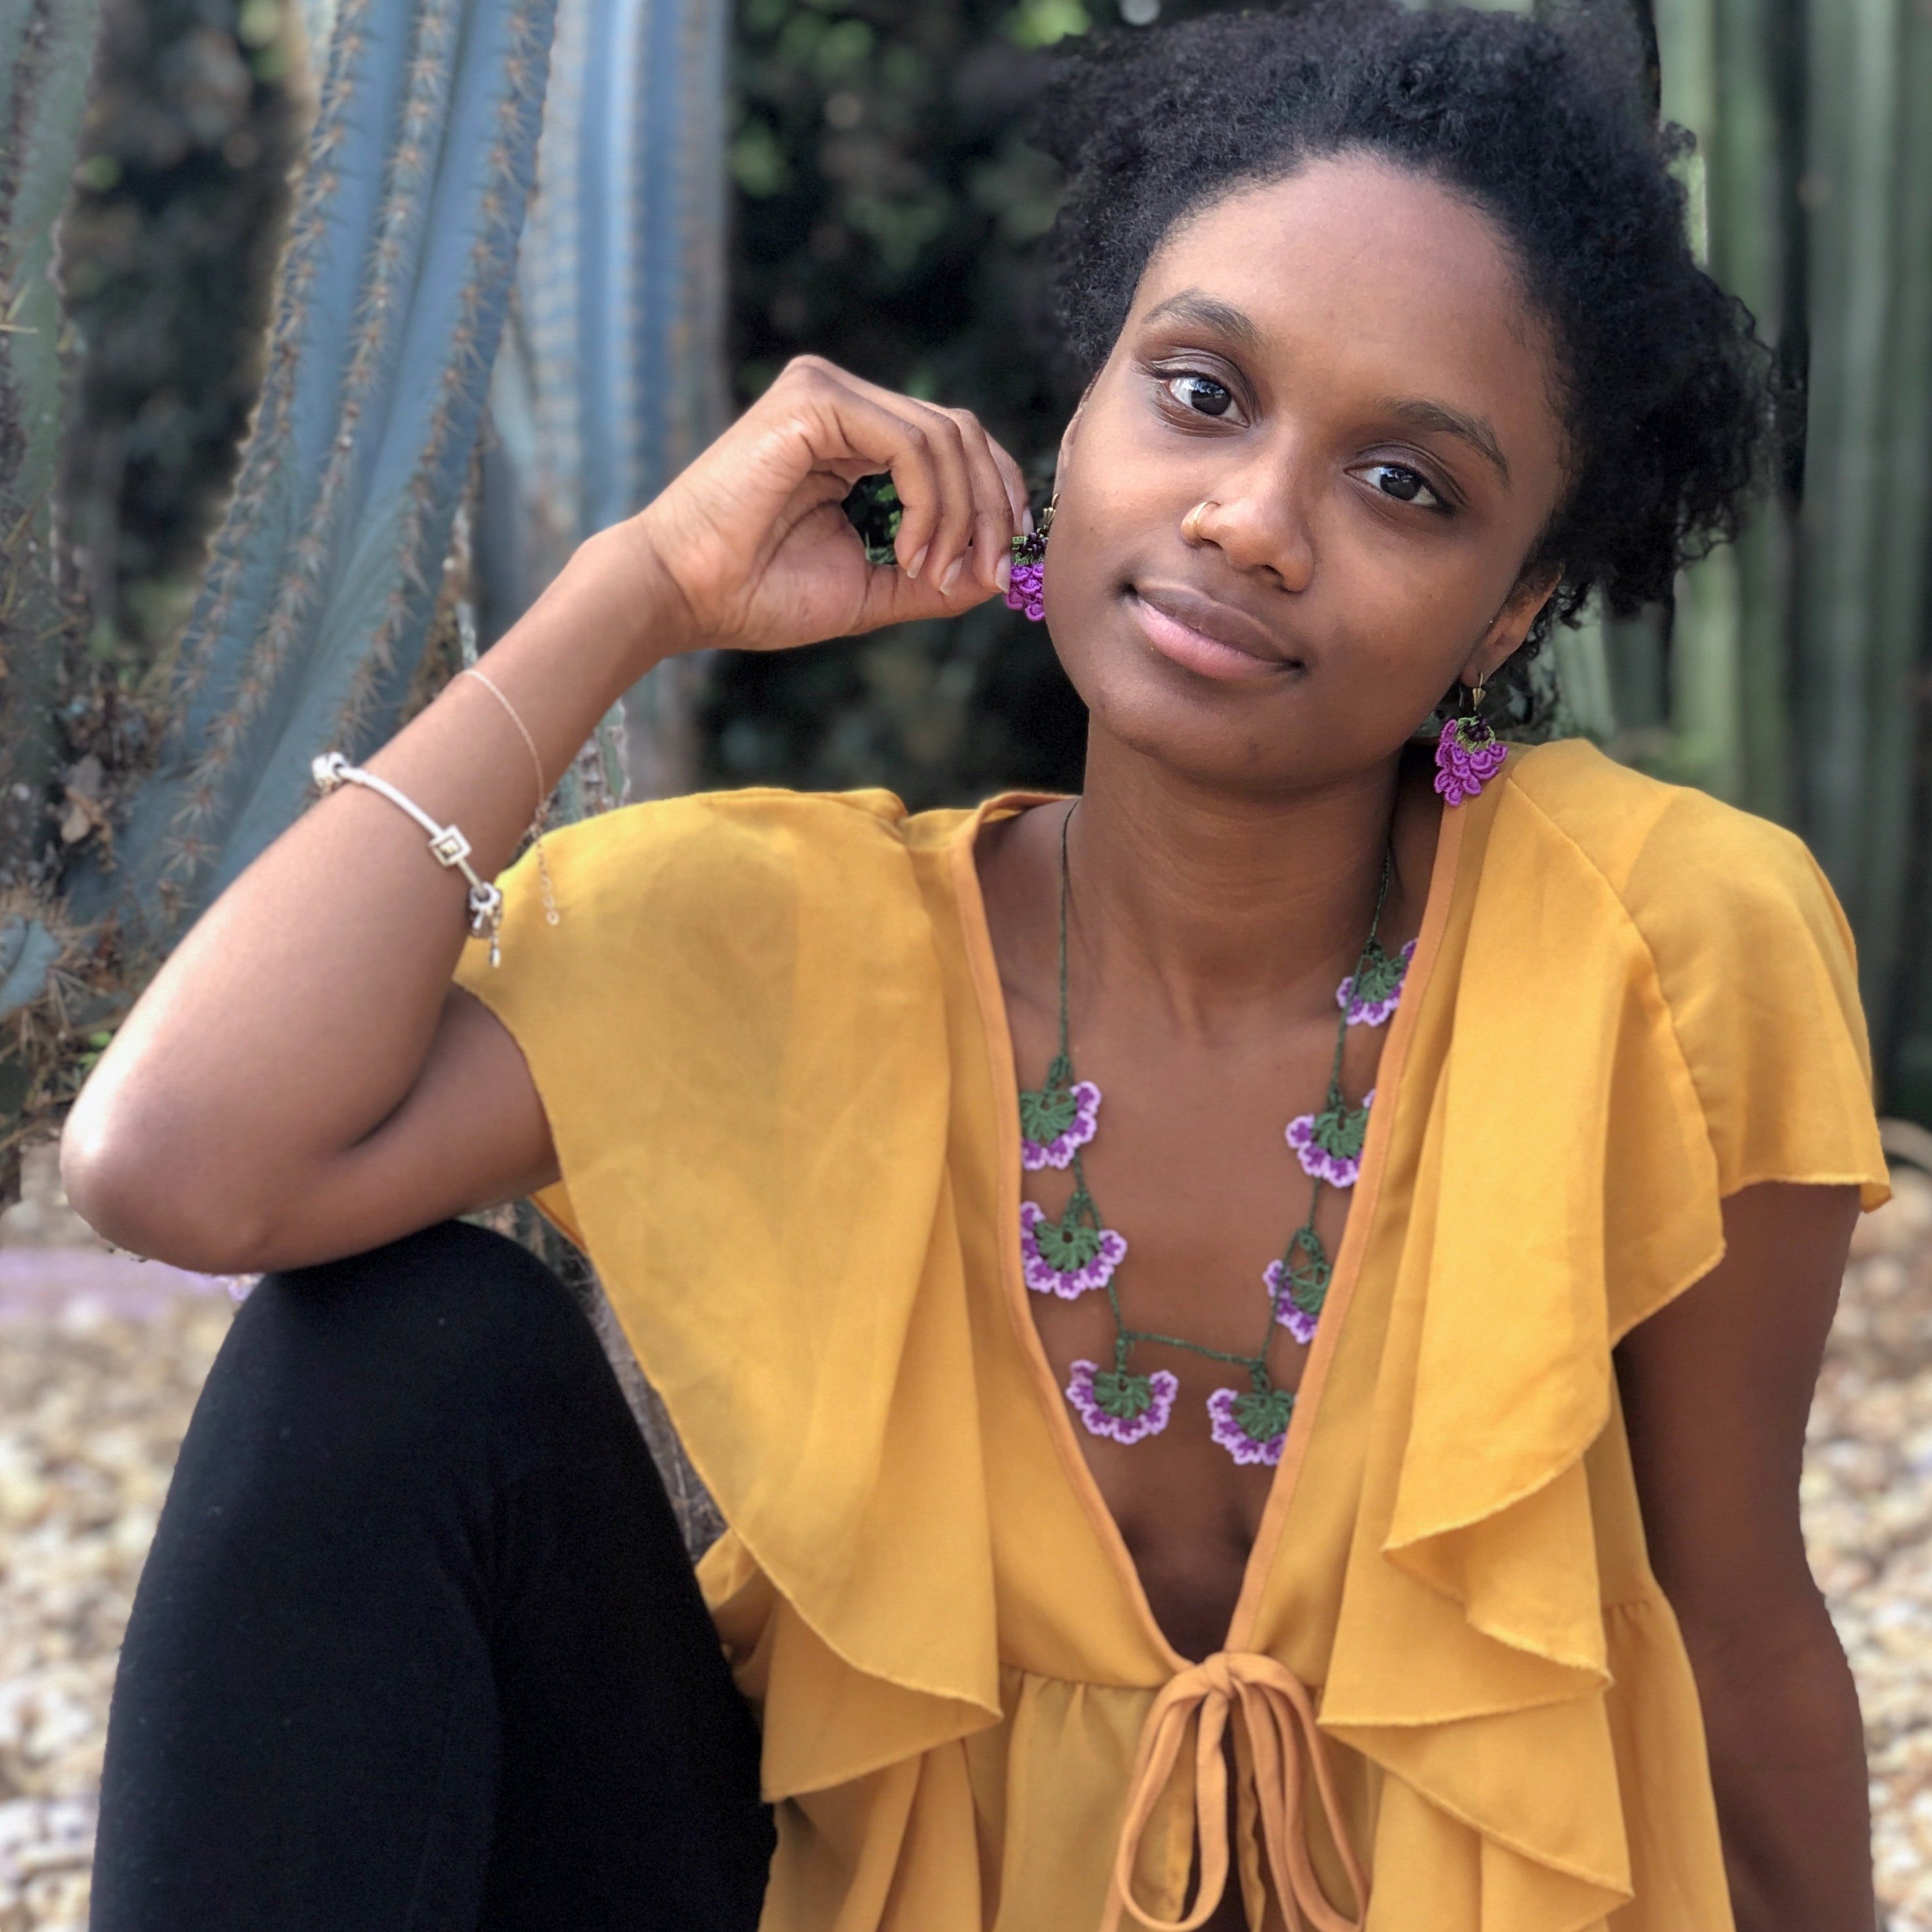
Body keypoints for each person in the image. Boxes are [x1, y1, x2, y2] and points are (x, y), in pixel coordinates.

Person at [64, 4, 1890, 1929]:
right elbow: (177, 1162)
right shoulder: (788, 944)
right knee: (387, 1350)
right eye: (1198, 391)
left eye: (1403, 487)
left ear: (1511, 600)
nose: (1248, 520)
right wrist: (634, 593)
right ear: (1077, 411)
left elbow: (1735, 1613)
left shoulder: (1653, 951)